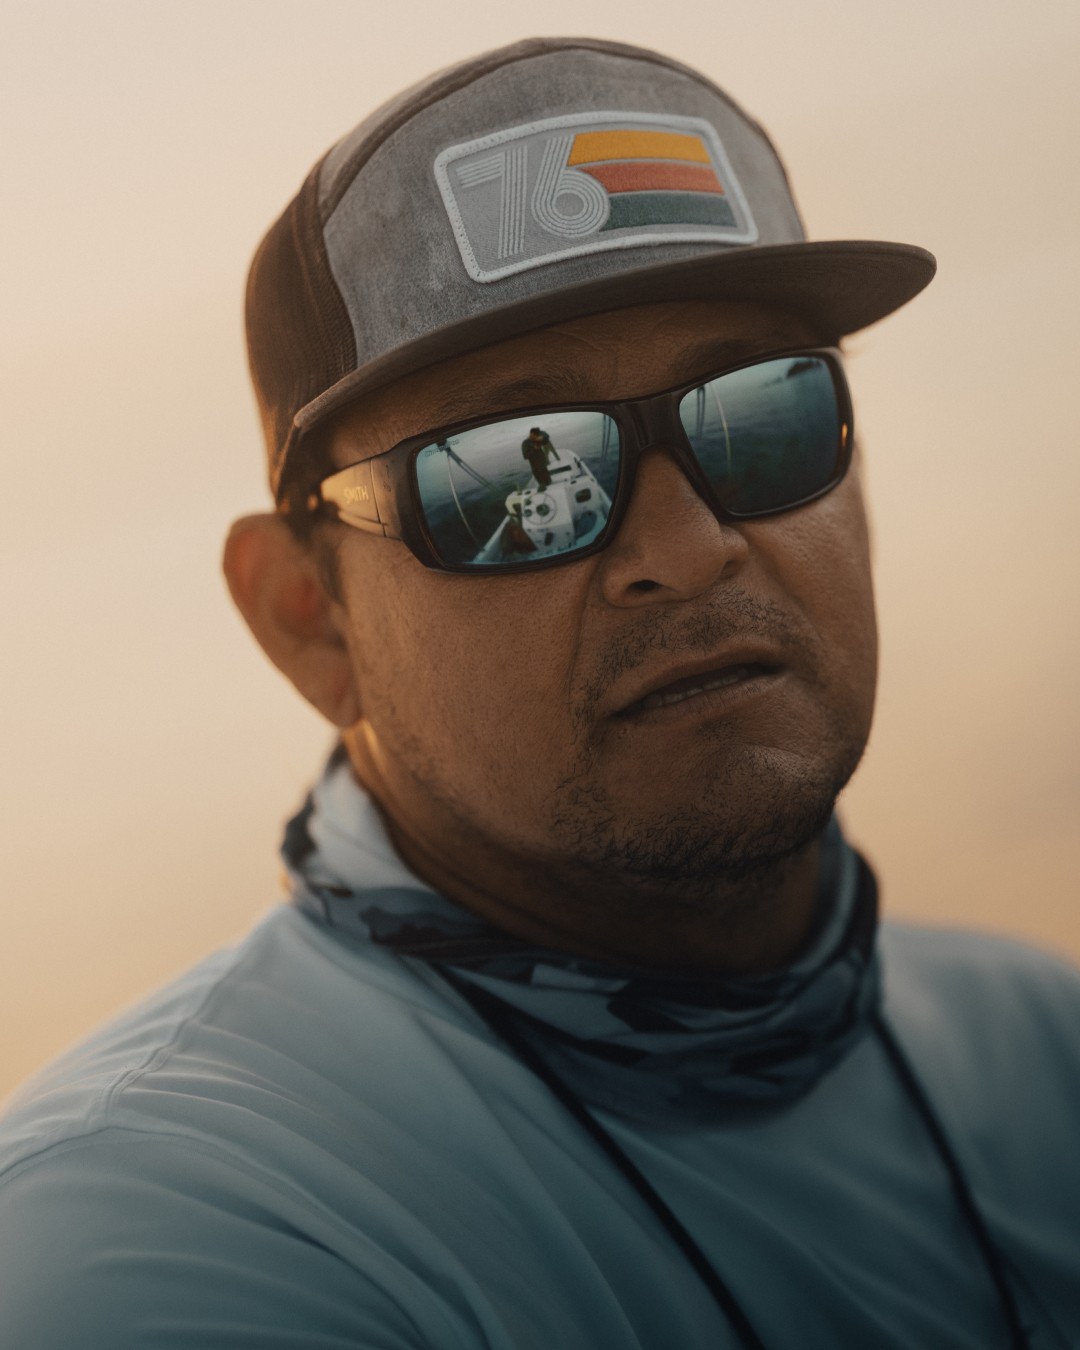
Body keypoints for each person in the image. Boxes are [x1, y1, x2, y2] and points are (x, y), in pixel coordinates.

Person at [0, 36, 1077, 1350]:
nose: (686, 548)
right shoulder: (166, 1240)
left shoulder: (1043, 1049)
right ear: (309, 618)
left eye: (765, 413)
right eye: (520, 482)